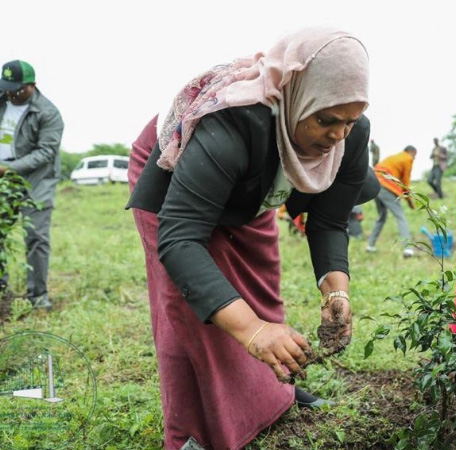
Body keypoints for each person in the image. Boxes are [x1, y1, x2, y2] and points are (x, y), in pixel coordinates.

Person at [126, 28, 377, 450]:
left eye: (349, 121)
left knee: (260, 293)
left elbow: (329, 223)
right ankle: (194, 435)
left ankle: (272, 398)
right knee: (193, 307)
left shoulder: (349, 135)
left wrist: (338, 295)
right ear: (298, 97)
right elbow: (181, 238)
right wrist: (253, 331)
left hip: (252, 191)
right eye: (326, 120)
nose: (338, 135)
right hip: (179, 182)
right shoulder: (232, 123)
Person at [0, 60, 64, 309]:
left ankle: (38, 296)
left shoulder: (48, 113)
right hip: (3, 176)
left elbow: (46, 152)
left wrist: (8, 168)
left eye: (16, 88)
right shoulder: (3, 98)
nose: (11, 93)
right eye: (7, 87)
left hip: (36, 180)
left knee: (36, 236)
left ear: (31, 86)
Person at [366, 145, 417, 258]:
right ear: (411, 152)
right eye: (415, 155)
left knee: (382, 216)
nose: (414, 158)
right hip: (386, 186)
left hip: (374, 182)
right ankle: (408, 249)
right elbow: (405, 182)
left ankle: (370, 246)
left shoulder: (394, 157)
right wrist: (410, 202)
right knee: (400, 216)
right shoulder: (407, 158)